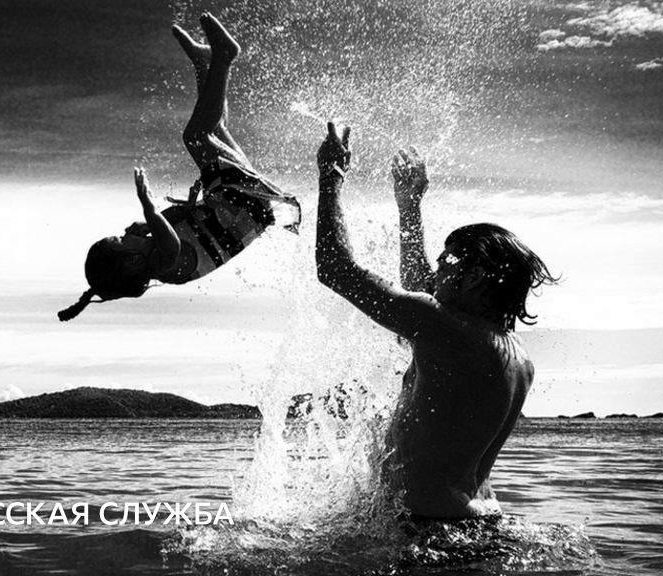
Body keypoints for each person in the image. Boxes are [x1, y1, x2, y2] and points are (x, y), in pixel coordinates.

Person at [314, 124, 557, 520]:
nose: (436, 272)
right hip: (477, 520)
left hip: (430, 530)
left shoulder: (451, 332)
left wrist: (331, 176)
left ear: (474, 277)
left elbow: (335, 269)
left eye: (446, 262)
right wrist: (409, 207)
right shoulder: (513, 354)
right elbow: (423, 292)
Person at [58, 14, 300, 322]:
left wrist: (148, 225)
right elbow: (171, 244)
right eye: (119, 240)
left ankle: (204, 62)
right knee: (197, 136)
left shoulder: (152, 249)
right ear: (131, 261)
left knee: (214, 129)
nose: (124, 233)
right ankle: (224, 57)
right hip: (242, 203)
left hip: (240, 202)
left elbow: (178, 222)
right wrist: (149, 210)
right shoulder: (165, 265)